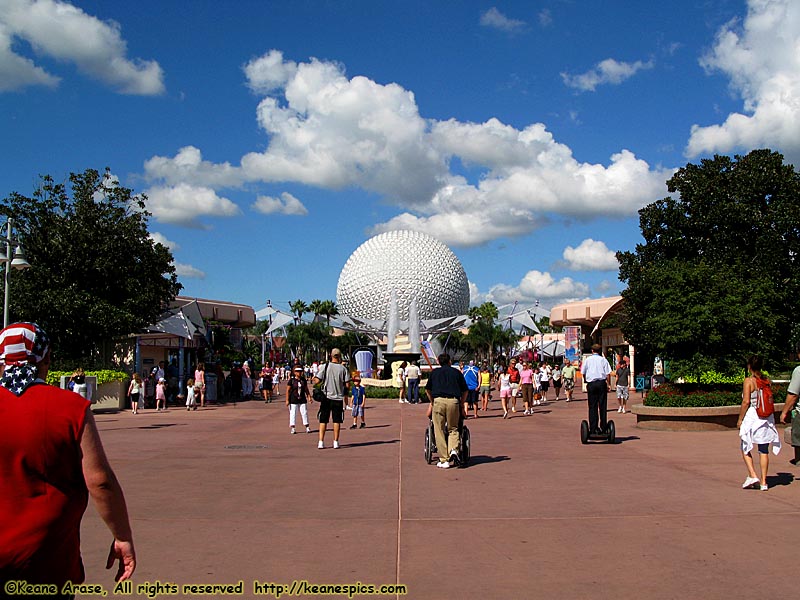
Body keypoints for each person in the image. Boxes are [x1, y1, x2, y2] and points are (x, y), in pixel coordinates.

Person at [0, 322, 136, 587]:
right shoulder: (70, 407)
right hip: (47, 562)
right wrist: (122, 536)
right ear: (46, 357)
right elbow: (100, 480)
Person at [738, 355, 781, 490]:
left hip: (752, 417)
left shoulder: (749, 381)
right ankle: (763, 482)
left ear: (749, 366)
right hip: (766, 418)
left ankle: (752, 474)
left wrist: (740, 419)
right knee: (763, 450)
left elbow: (746, 402)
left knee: (745, 446)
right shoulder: (766, 380)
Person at [426, 353, 468, 469]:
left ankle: (444, 459)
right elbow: (465, 390)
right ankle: (454, 449)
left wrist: (432, 401)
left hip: (438, 401)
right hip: (453, 402)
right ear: (450, 361)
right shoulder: (457, 373)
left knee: (438, 430)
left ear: (438, 362)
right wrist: (461, 403)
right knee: (453, 428)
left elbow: (428, 389)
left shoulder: (434, 373)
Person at [313, 348, 350, 449]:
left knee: (323, 420)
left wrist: (316, 381)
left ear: (331, 355)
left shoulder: (325, 367)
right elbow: (347, 384)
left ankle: (321, 442)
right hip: (338, 397)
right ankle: (336, 442)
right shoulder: (343, 369)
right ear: (339, 356)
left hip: (326, 396)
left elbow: (317, 380)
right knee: (337, 420)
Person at [581, 344, 611, 434]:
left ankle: (593, 428)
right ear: (599, 351)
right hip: (601, 383)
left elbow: (583, 372)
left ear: (592, 350)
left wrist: (586, 381)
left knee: (592, 406)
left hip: (592, 383)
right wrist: (608, 384)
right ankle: (604, 428)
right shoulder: (603, 360)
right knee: (602, 406)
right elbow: (608, 373)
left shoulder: (588, 360)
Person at [780, 364, 800, 465]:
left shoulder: (799, 370)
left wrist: (784, 412)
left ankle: (798, 460)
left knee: (798, 439)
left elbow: (793, 394)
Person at [286, 365, 311, 434]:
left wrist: (309, 396)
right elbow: (288, 390)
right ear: (294, 372)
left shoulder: (303, 380)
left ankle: (307, 426)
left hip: (302, 399)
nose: (299, 373)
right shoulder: (292, 380)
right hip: (293, 399)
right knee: (293, 413)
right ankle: (293, 427)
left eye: (300, 371)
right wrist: (287, 400)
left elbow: (306, 389)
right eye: (297, 371)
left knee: (304, 412)